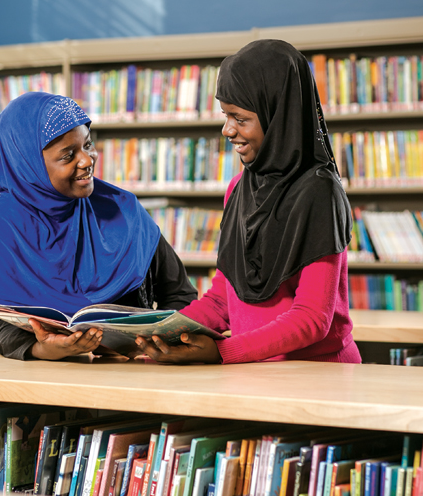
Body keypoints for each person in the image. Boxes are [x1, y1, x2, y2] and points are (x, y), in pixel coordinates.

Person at [135, 39, 361, 365]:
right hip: (251, 372)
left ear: (277, 116)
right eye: (226, 116)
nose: (227, 130)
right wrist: (156, 334)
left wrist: (221, 352)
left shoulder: (319, 192)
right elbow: (220, 300)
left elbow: (313, 318)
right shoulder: (238, 189)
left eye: (240, 119)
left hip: (315, 376)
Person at [0, 92, 197, 361]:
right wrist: (45, 349)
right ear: (29, 166)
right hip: (50, 380)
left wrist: (155, 343)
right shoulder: (6, 220)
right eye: (68, 155)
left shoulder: (123, 208)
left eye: (88, 144)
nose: (87, 160)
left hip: (133, 375)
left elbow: (181, 295)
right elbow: (1, 326)